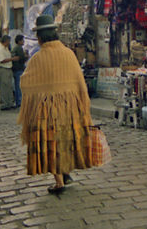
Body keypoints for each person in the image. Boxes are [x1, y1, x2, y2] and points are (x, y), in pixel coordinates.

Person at [18, 14, 94, 195]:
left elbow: (25, 83)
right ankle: (65, 171)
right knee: (66, 140)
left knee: (50, 144)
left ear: (40, 38)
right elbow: (79, 81)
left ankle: (59, 182)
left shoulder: (38, 58)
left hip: (47, 110)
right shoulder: (69, 53)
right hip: (70, 108)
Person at [0, 35, 16, 110]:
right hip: (2, 69)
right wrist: (13, 59)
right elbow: (2, 60)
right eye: (8, 41)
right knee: (4, 87)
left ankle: (10, 102)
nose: (9, 43)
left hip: (8, 68)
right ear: (5, 41)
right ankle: (4, 104)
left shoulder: (6, 48)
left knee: (9, 86)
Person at [11, 34, 28, 108]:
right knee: (19, 86)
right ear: (19, 41)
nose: (23, 41)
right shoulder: (19, 48)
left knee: (17, 85)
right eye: (22, 40)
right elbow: (22, 58)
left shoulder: (15, 48)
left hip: (16, 69)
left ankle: (18, 100)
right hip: (19, 69)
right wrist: (26, 56)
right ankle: (19, 101)